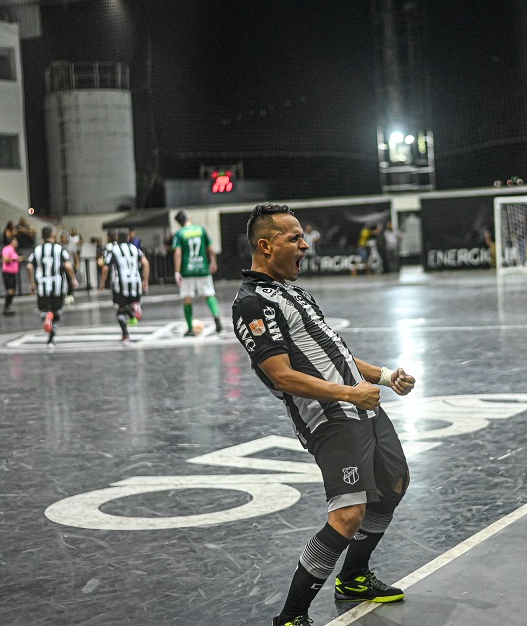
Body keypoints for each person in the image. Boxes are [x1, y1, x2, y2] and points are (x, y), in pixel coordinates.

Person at [232, 203, 417, 626]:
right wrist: (350, 394)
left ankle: (353, 578)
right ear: (266, 246)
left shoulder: (294, 292)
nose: (305, 245)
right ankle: (291, 616)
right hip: (330, 419)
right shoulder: (252, 303)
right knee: (348, 514)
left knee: (392, 486)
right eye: (294, 238)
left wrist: (385, 376)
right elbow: (281, 375)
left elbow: (336, 353)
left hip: (360, 406)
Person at [171, 210, 222, 336]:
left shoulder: (179, 234)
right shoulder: (201, 230)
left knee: (187, 298)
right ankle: (216, 317)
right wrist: (213, 262)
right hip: (202, 268)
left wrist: (177, 272)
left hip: (187, 270)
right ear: (188, 217)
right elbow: (211, 249)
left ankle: (190, 328)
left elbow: (178, 253)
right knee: (209, 295)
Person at [28, 226, 78, 345]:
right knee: (57, 311)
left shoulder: (37, 250)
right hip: (57, 285)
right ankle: (51, 338)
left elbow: (29, 266)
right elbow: (68, 266)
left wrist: (32, 282)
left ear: (42, 236)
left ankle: (47, 317)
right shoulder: (59, 249)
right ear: (54, 236)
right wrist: (73, 279)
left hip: (42, 285)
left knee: (43, 311)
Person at [99, 230, 149, 341]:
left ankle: (125, 334)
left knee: (120, 309)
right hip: (135, 280)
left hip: (120, 282)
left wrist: (102, 283)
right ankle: (134, 306)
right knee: (131, 301)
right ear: (128, 238)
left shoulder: (114, 250)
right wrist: (145, 280)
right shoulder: (135, 249)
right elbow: (146, 263)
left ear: (117, 238)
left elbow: (106, 268)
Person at [1, 235, 21, 315]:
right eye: (15, 241)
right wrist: (15, 259)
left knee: (13, 290)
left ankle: (8, 306)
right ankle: (6, 307)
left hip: (12, 272)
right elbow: (5, 259)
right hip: (8, 272)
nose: (17, 243)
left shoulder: (13, 250)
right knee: (10, 290)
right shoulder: (7, 249)